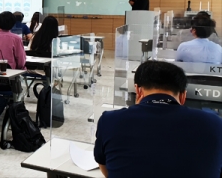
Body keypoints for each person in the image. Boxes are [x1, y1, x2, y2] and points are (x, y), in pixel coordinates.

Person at [94, 61, 222, 178]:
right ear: (183, 96)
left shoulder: (110, 121)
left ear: (138, 90)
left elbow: (106, 168)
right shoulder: (215, 124)